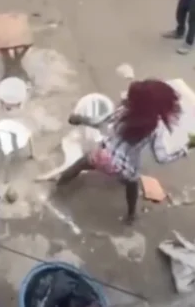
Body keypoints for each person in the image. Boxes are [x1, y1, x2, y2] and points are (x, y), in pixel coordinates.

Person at [56, 79, 190, 225]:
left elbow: (103, 121)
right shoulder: (155, 128)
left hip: (103, 154)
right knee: (132, 186)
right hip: (124, 167)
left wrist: (81, 119)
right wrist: (182, 151)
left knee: (80, 164)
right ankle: (131, 214)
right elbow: (161, 158)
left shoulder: (123, 110)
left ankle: (60, 183)